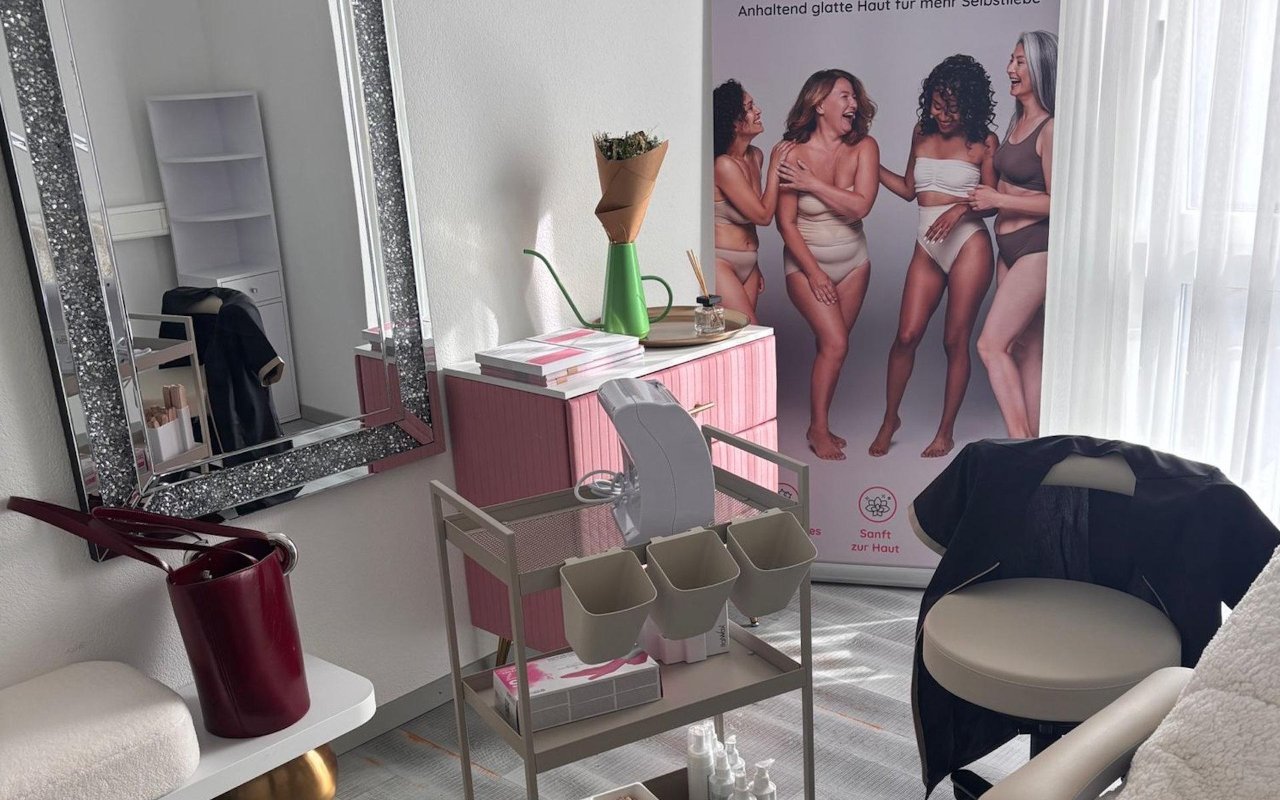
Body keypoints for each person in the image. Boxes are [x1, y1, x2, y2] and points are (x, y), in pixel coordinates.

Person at [870, 55, 998, 458]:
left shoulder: (985, 141)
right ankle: (890, 420)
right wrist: (869, 164)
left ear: (970, 105)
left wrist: (959, 209)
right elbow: (909, 189)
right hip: (927, 245)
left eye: (951, 108)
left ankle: (945, 431)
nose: (941, 115)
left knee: (954, 341)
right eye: (936, 106)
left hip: (968, 243)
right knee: (906, 336)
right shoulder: (921, 131)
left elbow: (992, 201)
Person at [775, 69, 879, 460]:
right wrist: (815, 273)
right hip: (806, 265)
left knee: (832, 347)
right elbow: (785, 223)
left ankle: (821, 422)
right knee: (836, 344)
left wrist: (813, 184)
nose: (854, 104)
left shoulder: (865, 147)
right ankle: (818, 429)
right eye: (844, 96)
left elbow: (861, 206)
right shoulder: (791, 153)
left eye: (855, 97)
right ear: (819, 104)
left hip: (854, 264)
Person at [971, 30, 1057, 439]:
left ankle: (1020, 444)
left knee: (991, 345)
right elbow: (1011, 186)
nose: (1010, 68)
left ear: (1040, 68)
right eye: (1011, 59)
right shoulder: (1017, 121)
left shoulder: (1050, 128)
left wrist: (997, 199)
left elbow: (1059, 203)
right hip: (1007, 249)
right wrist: (983, 199)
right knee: (1026, 348)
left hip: (1036, 249)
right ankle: (1037, 446)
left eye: (1020, 62)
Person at [712, 79, 793, 323]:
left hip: (749, 263)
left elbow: (752, 216)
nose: (758, 111)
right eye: (749, 107)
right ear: (735, 123)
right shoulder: (723, 165)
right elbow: (763, 216)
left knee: (740, 337)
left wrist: (753, 266)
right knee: (750, 333)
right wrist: (775, 167)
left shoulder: (755, 156)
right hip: (721, 262)